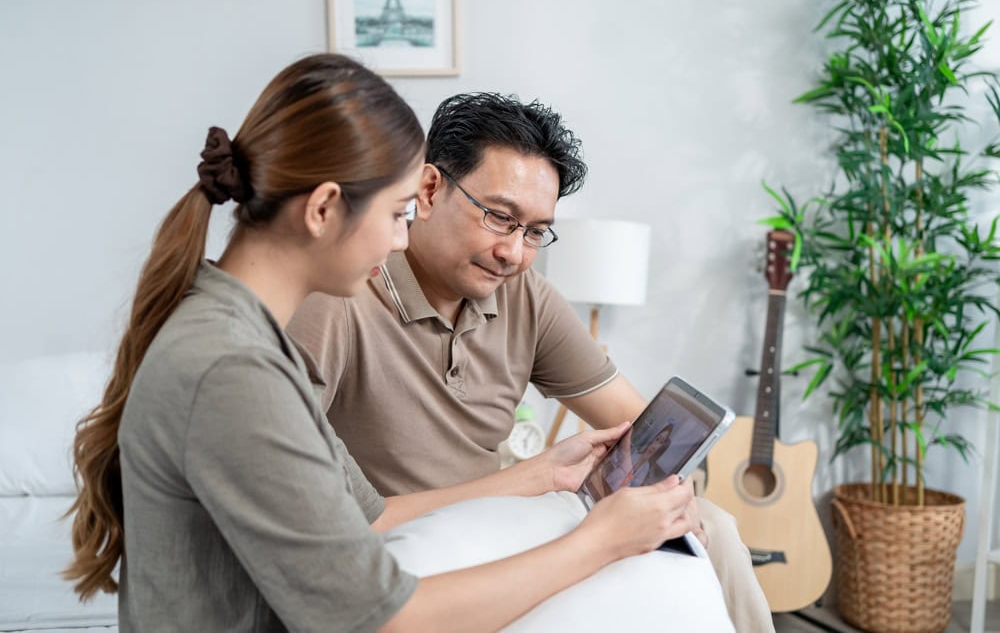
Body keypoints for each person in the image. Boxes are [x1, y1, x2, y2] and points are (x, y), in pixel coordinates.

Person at [62, 55, 702, 631]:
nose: (401, 239)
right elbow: (377, 618)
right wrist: (600, 542)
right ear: (324, 209)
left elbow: (369, 519)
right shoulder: (234, 369)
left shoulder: (249, 342)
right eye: (397, 213)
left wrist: (542, 477)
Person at [287, 92, 775, 633]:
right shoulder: (340, 295)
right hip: (416, 548)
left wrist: (671, 500)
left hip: (504, 524)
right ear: (428, 190)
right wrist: (538, 476)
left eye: (536, 232)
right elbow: (326, 511)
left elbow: (643, 428)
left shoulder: (525, 297)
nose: (514, 253)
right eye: (499, 218)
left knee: (712, 524)